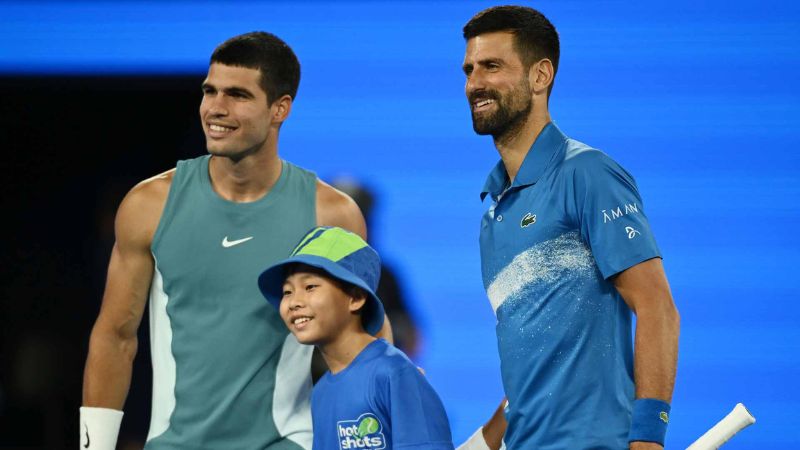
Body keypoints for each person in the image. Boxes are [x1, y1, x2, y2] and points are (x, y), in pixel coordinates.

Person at [80, 31, 387, 449]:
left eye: (237, 95)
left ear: (280, 109)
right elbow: (115, 336)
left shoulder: (331, 216)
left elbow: (359, 347)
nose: (215, 108)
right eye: (210, 91)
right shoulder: (149, 205)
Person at [460, 6, 680, 450]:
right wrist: (481, 445)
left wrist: (648, 440)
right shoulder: (494, 214)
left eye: (492, 66)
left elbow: (657, 308)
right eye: (468, 70)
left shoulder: (588, 175)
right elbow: (541, 369)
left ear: (540, 77)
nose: (474, 83)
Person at [258, 226, 454, 450]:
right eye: (287, 292)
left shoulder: (394, 373)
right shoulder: (321, 392)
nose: (294, 302)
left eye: (310, 286)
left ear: (356, 297)